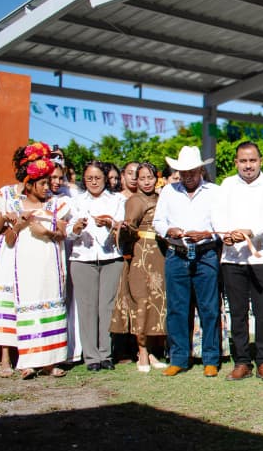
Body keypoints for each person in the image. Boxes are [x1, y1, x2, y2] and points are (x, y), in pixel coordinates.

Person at [212, 142, 263, 381]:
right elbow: (216, 216)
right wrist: (227, 233)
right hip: (232, 258)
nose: (248, 165)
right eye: (243, 161)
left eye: (252, 160)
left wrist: (250, 231)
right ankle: (242, 361)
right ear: (236, 163)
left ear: (260, 161)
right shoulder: (226, 185)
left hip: (261, 257)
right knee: (238, 313)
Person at [153, 146, 223, 377]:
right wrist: (168, 230)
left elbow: (222, 225)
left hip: (206, 254)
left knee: (209, 309)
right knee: (177, 309)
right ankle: (179, 358)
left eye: (192, 171)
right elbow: (158, 221)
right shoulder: (168, 191)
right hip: (177, 253)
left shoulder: (214, 191)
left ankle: (210, 358)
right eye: (183, 172)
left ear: (201, 169)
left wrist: (206, 234)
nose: (188, 176)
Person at [3, 143, 71, 379]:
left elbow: (63, 234)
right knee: (29, 308)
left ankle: (51, 363)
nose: (47, 187)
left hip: (50, 264)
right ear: (30, 185)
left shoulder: (55, 206)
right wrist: (21, 224)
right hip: (26, 265)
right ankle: (28, 362)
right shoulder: (15, 206)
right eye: (42, 183)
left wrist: (46, 233)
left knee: (51, 304)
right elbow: (9, 240)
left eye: (47, 182)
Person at [67, 160, 126, 371]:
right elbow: (67, 232)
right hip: (82, 258)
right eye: (89, 178)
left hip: (110, 257)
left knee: (107, 307)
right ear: (84, 179)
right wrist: (76, 228)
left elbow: (122, 224)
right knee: (87, 308)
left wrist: (110, 223)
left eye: (98, 178)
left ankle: (106, 353)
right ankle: (91, 357)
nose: (94, 182)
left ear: (105, 179)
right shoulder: (74, 201)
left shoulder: (117, 199)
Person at [109, 162, 167, 372]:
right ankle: (141, 350)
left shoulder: (162, 198)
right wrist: (124, 229)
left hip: (160, 253)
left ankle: (152, 350)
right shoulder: (135, 200)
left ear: (156, 178)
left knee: (156, 301)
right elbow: (130, 226)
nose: (146, 182)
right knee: (141, 302)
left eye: (149, 177)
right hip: (141, 254)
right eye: (141, 178)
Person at [0, 160, 25, 377]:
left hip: (30, 251)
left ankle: (27, 355)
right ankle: (5, 357)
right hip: (9, 252)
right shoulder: (6, 194)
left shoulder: (40, 196)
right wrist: (5, 216)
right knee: (6, 300)